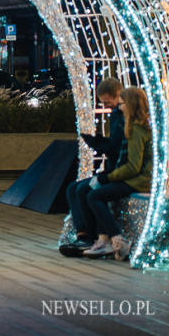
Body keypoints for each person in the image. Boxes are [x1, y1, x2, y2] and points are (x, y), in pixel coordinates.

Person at [81, 86, 153, 261]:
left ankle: (117, 240)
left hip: (138, 181)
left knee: (94, 196)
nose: (118, 108)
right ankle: (104, 239)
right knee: (97, 190)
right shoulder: (136, 127)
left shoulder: (136, 130)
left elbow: (133, 167)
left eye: (121, 104)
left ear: (130, 104)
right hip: (136, 178)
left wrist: (109, 177)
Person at [61, 77, 125, 256]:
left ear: (118, 95)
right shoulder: (116, 115)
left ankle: (92, 236)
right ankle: (82, 234)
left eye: (108, 101)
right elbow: (114, 145)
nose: (107, 106)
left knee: (84, 189)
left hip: (119, 172)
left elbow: (116, 149)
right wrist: (96, 141)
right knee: (72, 188)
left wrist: (96, 142)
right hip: (114, 169)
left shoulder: (123, 117)